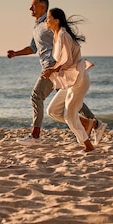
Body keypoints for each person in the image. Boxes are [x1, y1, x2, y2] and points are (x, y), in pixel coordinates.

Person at [7, 0, 106, 146]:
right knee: (70, 99)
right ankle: (95, 124)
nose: (30, 8)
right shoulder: (38, 26)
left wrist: (56, 67)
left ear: (43, 7)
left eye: (33, 5)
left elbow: (63, 38)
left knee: (36, 96)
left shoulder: (49, 23)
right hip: (52, 68)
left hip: (53, 67)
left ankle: (35, 135)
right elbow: (33, 48)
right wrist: (16, 53)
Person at [42, 8, 95, 152]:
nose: (46, 20)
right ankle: (91, 124)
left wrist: (52, 70)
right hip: (71, 81)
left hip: (78, 80)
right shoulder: (57, 35)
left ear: (57, 20)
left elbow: (67, 59)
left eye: (48, 18)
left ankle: (88, 146)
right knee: (52, 110)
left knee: (69, 116)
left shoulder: (64, 35)